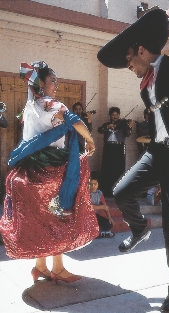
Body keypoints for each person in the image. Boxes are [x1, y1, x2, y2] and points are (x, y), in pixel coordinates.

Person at [97, 8, 169, 312]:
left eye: (130, 60)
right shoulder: (146, 86)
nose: (129, 66)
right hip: (159, 153)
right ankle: (140, 230)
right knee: (121, 191)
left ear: (142, 50)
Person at [0, 61, 99, 284]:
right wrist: (90, 141)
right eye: (52, 80)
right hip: (51, 173)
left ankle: (40, 266)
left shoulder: (30, 107)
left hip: (29, 172)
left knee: (43, 220)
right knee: (57, 218)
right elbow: (76, 121)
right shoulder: (51, 104)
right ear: (41, 84)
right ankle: (58, 269)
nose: (56, 84)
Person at [98, 106, 134, 197]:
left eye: (117, 114)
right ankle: (106, 191)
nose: (115, 116)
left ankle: (117, 191)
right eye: (113, 115)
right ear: (110, 115)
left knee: (119, 167)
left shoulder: (123, 124)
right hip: (108, 147)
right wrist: (107, 126)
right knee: (107, 168)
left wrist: (129, 127)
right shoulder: (106, 124)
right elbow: (100, 130)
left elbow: (127, 134)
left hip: (119, 147)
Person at [90, 172, 115, 238]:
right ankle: (99, 234)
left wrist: (109, 218)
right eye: (91, 184)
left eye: (95, 184)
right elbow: (89, 207)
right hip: (87, 215)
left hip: (95, 215)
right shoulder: (87, 193)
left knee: (109, 224)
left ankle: (100, 233)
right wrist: (102, 207)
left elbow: (105, 207)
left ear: (98, 184)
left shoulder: (99, 193)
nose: (93, 186)